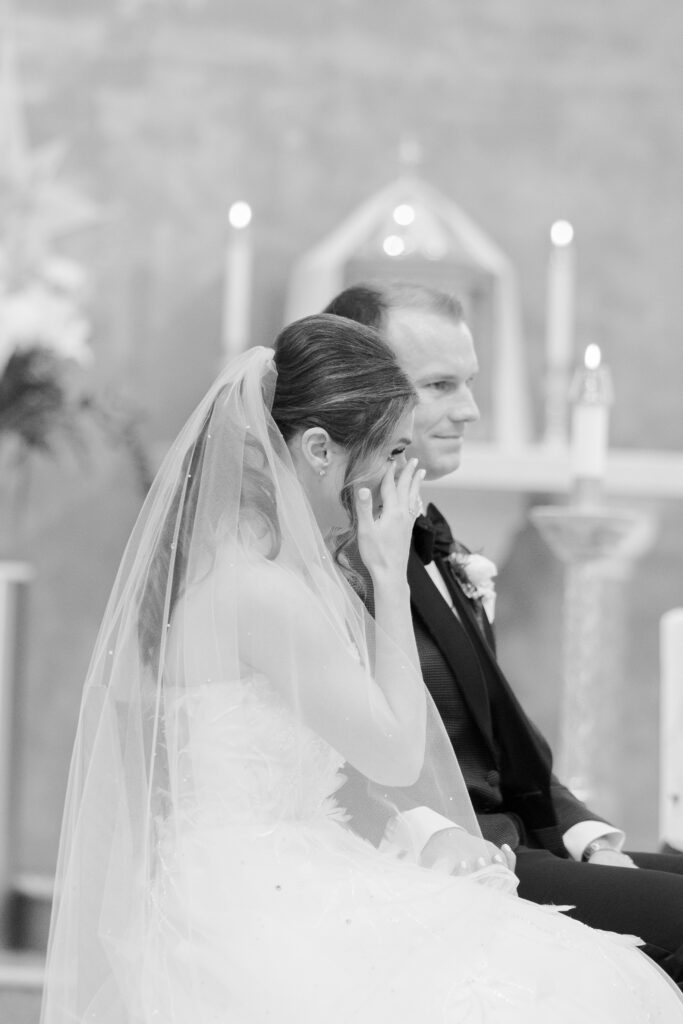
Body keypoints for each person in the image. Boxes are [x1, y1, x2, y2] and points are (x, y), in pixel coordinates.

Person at [40, 314, 683, 1023]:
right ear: (319, 449)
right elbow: (397, 753)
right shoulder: (261, 593)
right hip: (260, 894)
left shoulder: (257, 571)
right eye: (391, 450)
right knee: (577, 987)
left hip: (273, 863)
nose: (399, 475)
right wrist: (384, 573)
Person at [324, 281, 683, 990]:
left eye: (469, 382)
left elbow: (506, 743)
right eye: (439, 384)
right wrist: (454, 844)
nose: (470, 410)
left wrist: (590, 838)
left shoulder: (431, 542)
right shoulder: (338, 557)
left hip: (525, 839)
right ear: (365, 393)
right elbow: (343, 760)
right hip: (454, 858)